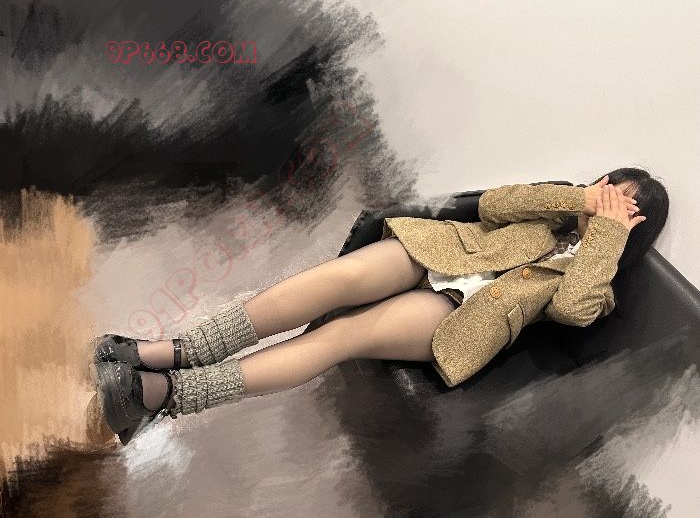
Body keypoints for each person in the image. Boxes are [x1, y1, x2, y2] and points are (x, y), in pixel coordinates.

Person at [93, 167, 669, 445]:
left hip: (463, 317)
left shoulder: (600, 283)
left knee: (340, 336)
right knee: (325, 281)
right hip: (440, 249)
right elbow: (494, 204)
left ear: (633, 228)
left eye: (623, 206)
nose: (608, 204)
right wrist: (578, 198)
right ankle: (162, 352)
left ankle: (165, 395)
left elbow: (570, 307)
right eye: (609, 189)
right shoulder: (552, 206)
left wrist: (604, 237)